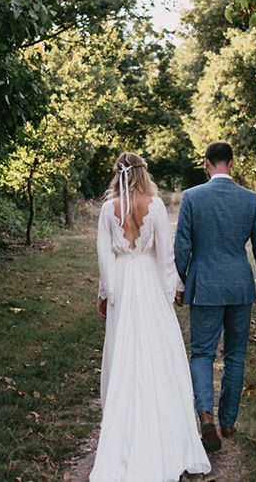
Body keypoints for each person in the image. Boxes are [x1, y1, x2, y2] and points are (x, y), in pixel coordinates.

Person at [90, 152, 211, 482]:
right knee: (159, 354)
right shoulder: (155, 205)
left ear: (118, 174)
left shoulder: (107, 209)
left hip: (124, 284)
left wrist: (106, 292)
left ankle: (126, 421)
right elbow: (165, 254)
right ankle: (163, 424)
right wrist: (170, 288)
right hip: (148, 282)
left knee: (124, 352)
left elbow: (105, 256)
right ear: (143, 173)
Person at [174, 141, 256, 453]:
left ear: (206, 163)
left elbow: (181, 248)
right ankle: (228, 420)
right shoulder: (250, 199)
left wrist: (185, 280)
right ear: (232, 163)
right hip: (240, 286)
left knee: (202, 354)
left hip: (205, 286)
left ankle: (205, 415)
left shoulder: (192, 197)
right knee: (235, 354)